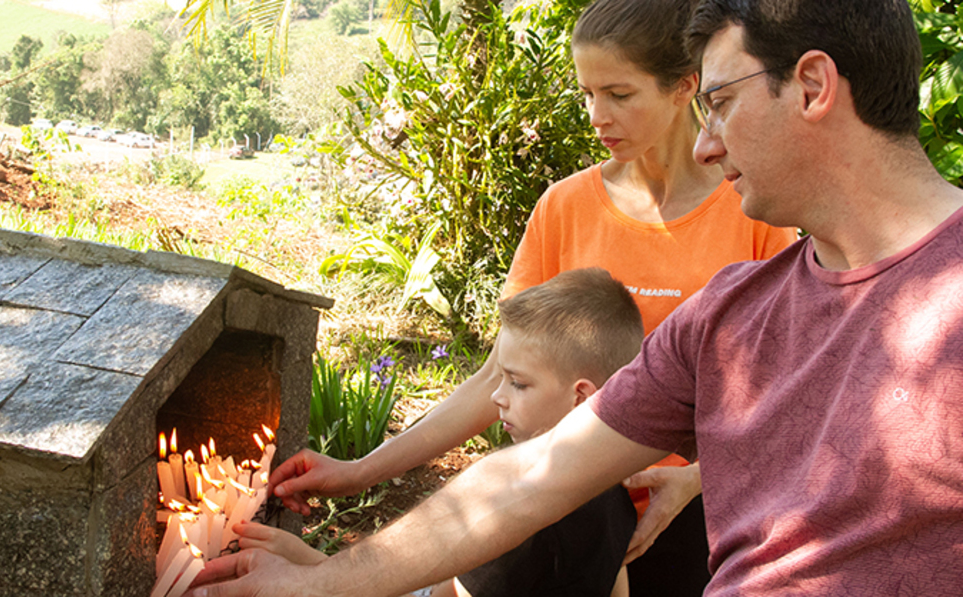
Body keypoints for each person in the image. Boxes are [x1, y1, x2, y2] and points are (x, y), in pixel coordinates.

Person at [187, 0, 963, 595]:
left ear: (814, 86)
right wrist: (324, 582)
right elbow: (532, 478)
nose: (705, 142)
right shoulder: (732, 311)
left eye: (720, 101)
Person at [267, 1, 796, 594]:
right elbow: (499, 373)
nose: (598, 115)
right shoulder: (563, 209)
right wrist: (360, 472)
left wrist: (694, 481)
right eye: (587, 94)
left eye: (619, 94)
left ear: (684, 87)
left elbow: (781, 397)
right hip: (561, 509)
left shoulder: (756, 215)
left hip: (695, 521)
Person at [235, 268, 645, 597]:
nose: (498, 397)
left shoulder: (518, 519)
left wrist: (308, 564)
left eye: (517, 383)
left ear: (581, 398)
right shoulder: (612, 489)